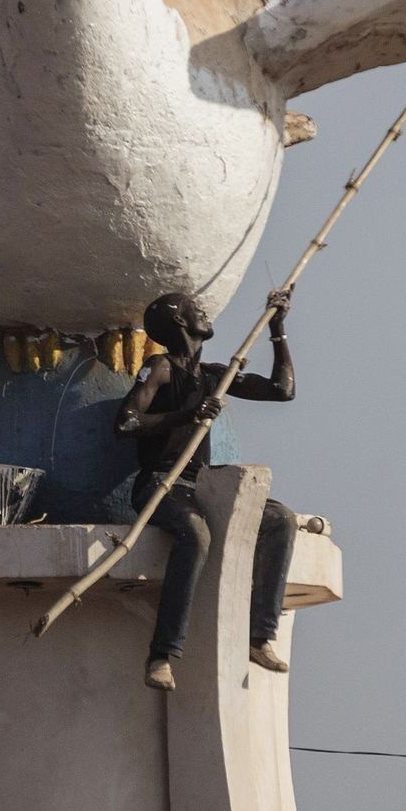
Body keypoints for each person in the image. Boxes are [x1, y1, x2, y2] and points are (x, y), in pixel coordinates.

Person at [115, 288, 300, 691]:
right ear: (180, 321)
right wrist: (185, 415)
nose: (205, 314)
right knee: (195, 534)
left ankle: (259, 636)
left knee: (280, 520)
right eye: (196, 309)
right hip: (161, 483)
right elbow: (126, 422)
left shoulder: (216, 376)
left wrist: (277, 329)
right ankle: (162, 655)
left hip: (200, 483)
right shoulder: (160, 368)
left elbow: (283, 390)